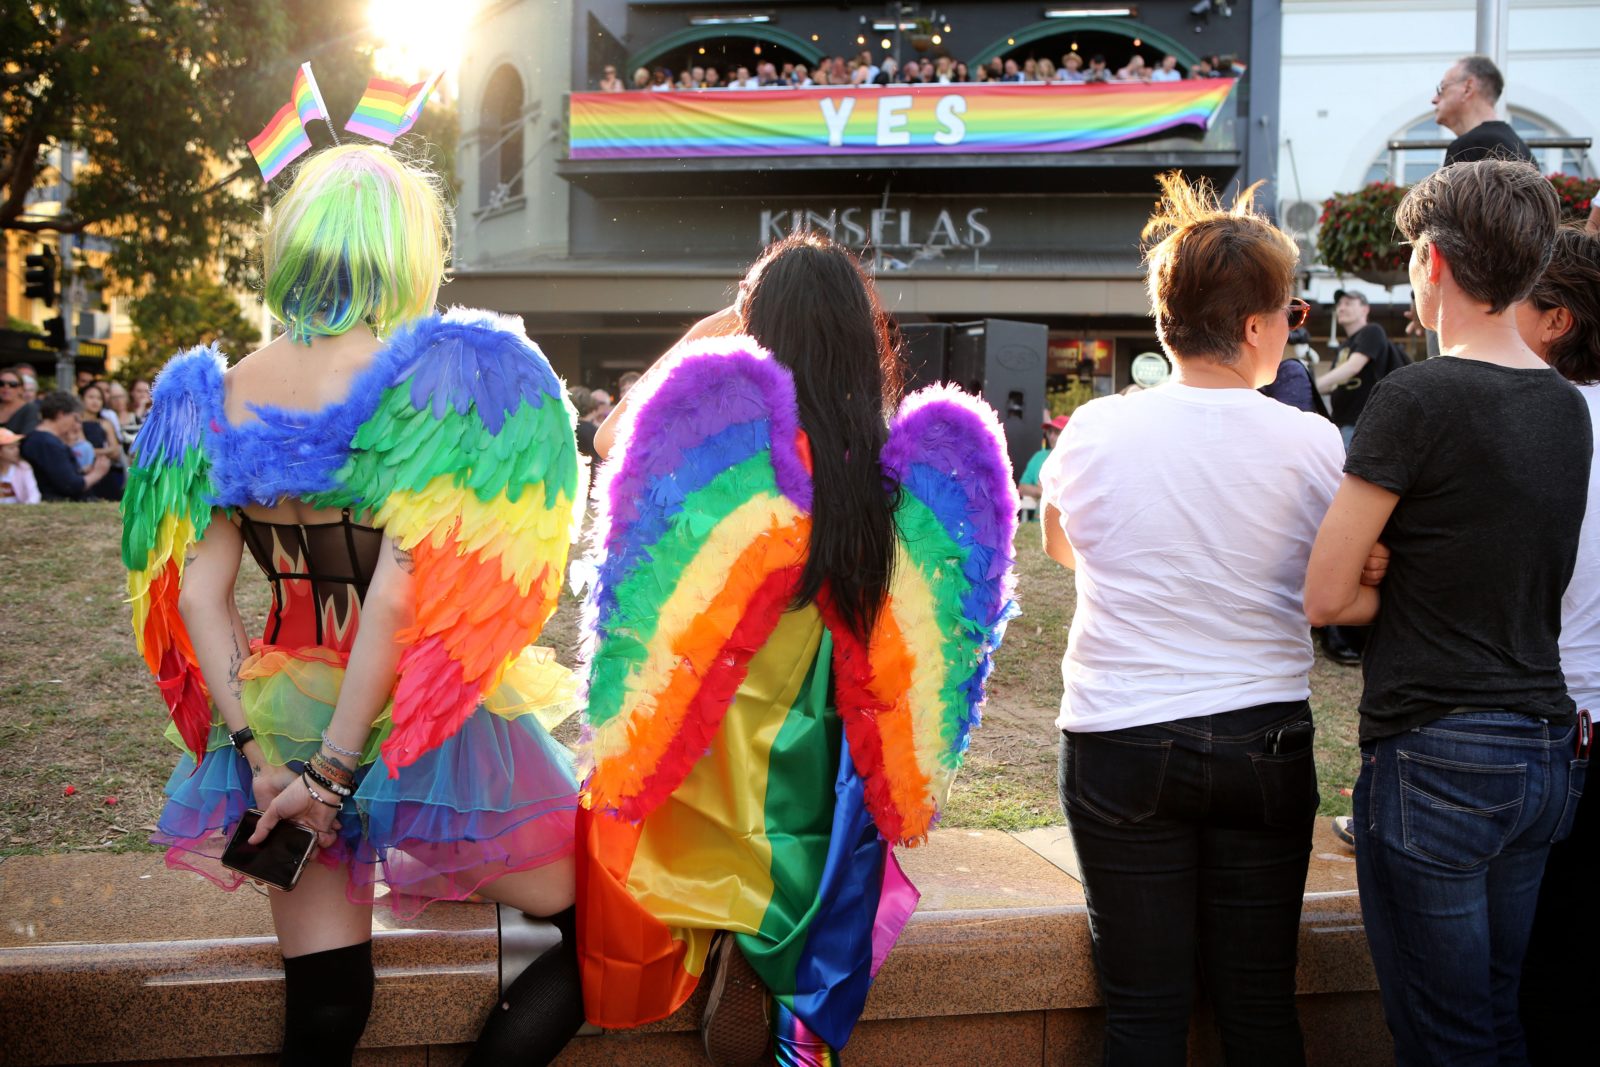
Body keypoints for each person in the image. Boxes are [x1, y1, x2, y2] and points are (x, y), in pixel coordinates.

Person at [121, 144, 587, 1065]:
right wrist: (336, 773)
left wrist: (260, 756)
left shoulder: (214, 395)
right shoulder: (439, 388)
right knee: (600, 926)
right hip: (418, 730)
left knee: (327, 1007)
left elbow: (200, 598)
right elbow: (396, 597)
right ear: (405, 249)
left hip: (278, 721)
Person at [575, 234, 1017, 1066]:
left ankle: (723, 931)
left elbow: (613, 441)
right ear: (862, 335)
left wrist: (717, 324)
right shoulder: (889, 466)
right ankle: (786, 989)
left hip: (717, 756)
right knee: (831, 882)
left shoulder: (737, 453)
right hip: (830, 773)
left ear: (757, 331)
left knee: (627, 828)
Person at [1041, 172, 1341, 1066]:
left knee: (1142, 1010)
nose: (1294, 330)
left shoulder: (1094, 430)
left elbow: (1063, 547)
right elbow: (1343, 567)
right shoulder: (1313, 442)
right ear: (1255, 327)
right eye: (1291, 314)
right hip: (1266, 737)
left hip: (1119, 740)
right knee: (1258, 1007)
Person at [1304, 159, 1586, 1066]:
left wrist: (1389, 577)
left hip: (1436, 750)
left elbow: (1325, 593)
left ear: (1433, 265)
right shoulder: (1564, 404)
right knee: (1499, 1017)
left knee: (1443, 1034)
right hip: (1544, 747)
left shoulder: (1416, 395)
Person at [1510, 226, 1600, 1066]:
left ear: (1558, 321)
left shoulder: (1547, 422)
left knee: (1531, 984)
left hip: (1558, 726)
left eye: (1515, 307)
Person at [1315, 290, 1400, 449]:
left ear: (1365, 309)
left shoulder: (1372, 331)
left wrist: (1313, 385)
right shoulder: (1345, 346)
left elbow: (1354, 366)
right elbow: (1332, 384)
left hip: (1359, 424)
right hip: (1340, 424)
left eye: (1348, 303)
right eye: (1339, 304)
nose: (1341, 308)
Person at [1433, 55, 1534, 166]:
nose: (1434, 100)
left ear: (1468, 88)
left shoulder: (1469, 146)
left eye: (1442, 88)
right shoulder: (1521, 148)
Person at [21, 391, 112, 501]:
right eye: (75, 418)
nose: (76, 425)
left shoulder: (40, 439)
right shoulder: (47, 443)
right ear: (61, 414)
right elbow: (71, 486)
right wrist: (97, 473)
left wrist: (82, 472)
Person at [1019, 415, 1067, 507]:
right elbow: (1022, 487)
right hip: (1038, 519)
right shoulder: (1039, 457)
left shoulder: (1076, 459)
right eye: (1050, 432)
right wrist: (1043, 492)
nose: (1051, 436)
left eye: (1057, 432)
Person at [0, 427, 40, 504]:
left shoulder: (23, 468)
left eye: (17, 446)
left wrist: (26, 508)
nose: (17, 450)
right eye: (11, 448)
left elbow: (34, 495)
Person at [1, 366, 40, 435]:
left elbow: (27, 435)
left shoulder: (31, 409)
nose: (6, 387)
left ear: (21, 389)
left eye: (13, 384)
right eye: (1, 383)